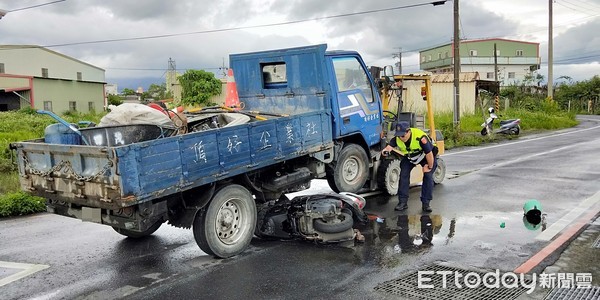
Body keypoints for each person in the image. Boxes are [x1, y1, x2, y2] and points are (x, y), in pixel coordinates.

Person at [382, 121, 438, 213]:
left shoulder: (420, 137)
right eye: (399, 135)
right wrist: (385, 151)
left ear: (409, 132)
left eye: (403, 136)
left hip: (426, 156)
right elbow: (389, 147)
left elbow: (429, 153)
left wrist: (429, 166)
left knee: (428, 176)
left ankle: (426, 203)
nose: (401, 138)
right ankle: (402, 202)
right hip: (411, 156)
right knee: (403, 174)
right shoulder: (397, 138)